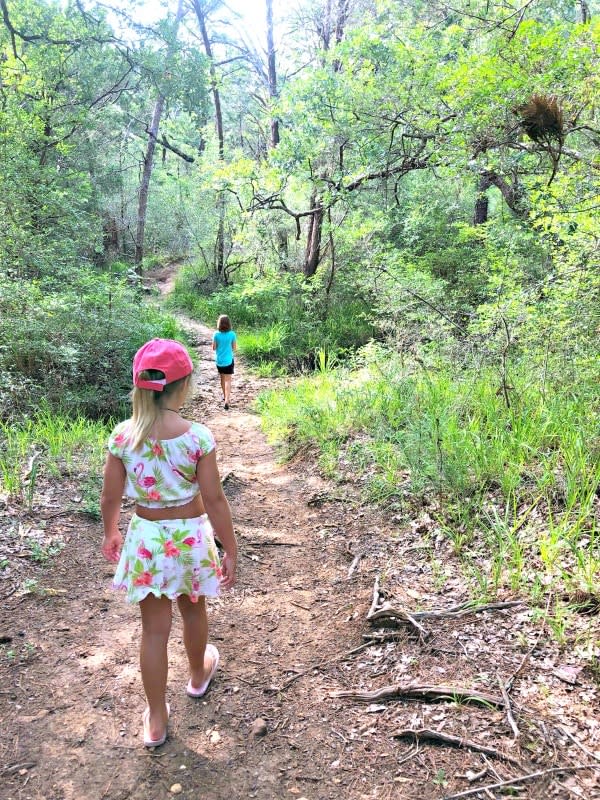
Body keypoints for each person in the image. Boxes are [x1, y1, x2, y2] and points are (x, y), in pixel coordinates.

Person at [100, 338, 237, 749]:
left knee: (153, 631)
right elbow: (214, 498)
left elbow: (110, 496)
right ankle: (197, 675)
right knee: (194, 612)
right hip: (190, 538)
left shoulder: (123, 437)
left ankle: (156, 718)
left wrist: (111, 530)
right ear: (184, 386)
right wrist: (230, 546)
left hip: (146, 539)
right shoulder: (198, 437)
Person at [212, 314, 237, 410]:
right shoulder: (232, 334)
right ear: (229, 323)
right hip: (228, 361)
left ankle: (224, 396)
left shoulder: (216, 334)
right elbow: (234, 348)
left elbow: (213, 348)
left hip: (219, 361)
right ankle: (227, 400)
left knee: (222, 379)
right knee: (228, 380)